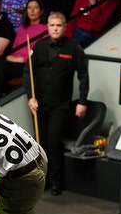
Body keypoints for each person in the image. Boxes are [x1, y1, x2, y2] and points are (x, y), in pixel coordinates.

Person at [23, 11, 89, 196]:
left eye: (59, 25)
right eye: (52, 25)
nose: (55, 28)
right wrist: (30, 97)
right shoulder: (39, 46)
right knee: (40, 143)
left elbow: (83, 76)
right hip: (39, 104)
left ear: (65, 27)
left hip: (60, 105)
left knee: (53, 142)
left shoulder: (74, 48)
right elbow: (28, 72)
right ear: (48, 26)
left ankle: (55, 182)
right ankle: (41, 181)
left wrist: (82, 101)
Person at [0, 0, 47, 96]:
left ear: (41, 11)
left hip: (27, 64)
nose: (32, 10)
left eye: (35, 8)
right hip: (13, 60)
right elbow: (14, 49)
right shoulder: (23, 28)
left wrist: (21, 59)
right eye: (29, 8)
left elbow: (41, 55)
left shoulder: (46, 29)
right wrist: (11, 58)